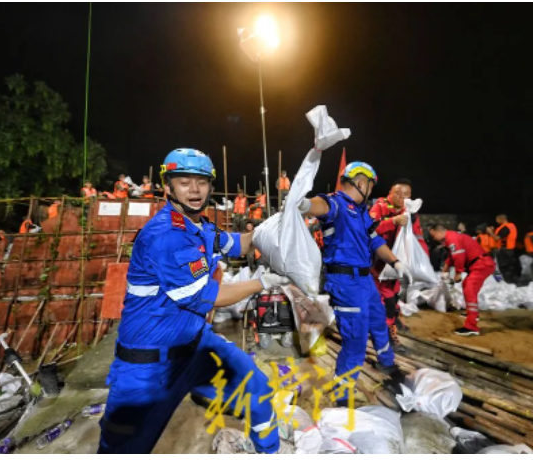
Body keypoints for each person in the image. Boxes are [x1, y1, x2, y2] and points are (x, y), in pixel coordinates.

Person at [98, 148, 288, 454]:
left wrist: (278, 224)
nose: (195, 189)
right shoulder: (165, 235)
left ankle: (270, 450)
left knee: (256, 390)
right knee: (123, 447)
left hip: (197, 346)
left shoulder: (200, 226)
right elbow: (210, 297)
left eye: (201, 181)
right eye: (184, 182)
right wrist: (264, 282)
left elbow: (238, 244)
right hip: (148, 366)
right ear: (168, 186)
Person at [298, 161, 412, 402]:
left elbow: (375, 241)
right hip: (345, 282)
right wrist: (304, 203)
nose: (371, 191)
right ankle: (342, 394)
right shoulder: (336, 203)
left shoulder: (361, 213)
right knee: (355, 342)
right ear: (362, 182)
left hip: (365, 280)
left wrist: (395, 262)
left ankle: (386, 362)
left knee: (379, 321)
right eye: (370, 186)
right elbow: (318, 206)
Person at [369, 178, 429, 353]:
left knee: (394, 297)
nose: (402, 197)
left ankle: (393, 323)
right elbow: (369, 230)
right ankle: (387, 338)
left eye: (406, 194)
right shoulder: (379, 207)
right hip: (378, 264)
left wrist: (422, 261)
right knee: (386, 300)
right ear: (390, 192)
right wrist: (392, 221)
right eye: (398, 193)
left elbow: (417, 237)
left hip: (397, 263)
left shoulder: (410, 212)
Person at [428, 224, 496, 337]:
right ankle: (472, 314)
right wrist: (445, 270)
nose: (434, 239)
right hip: (479, 264)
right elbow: (451, 257)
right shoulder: (451, 238)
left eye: (433, 235)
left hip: (481, 264)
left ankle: (471, 326)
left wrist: (458, 273)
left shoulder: (452, 239)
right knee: (467, 286)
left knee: (470, 289)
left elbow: (458, 256)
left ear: (439, 232)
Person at [487, 214, 518, 283]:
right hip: (509, 249)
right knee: (509, 267)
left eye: (497, 219)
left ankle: (507, 282)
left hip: (504, 250)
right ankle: (511, 281)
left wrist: (490, 232)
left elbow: (496, 238)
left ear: (502, 219)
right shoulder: (511, 226)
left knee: (504, 267)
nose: (496, 221)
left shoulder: (506, 227)